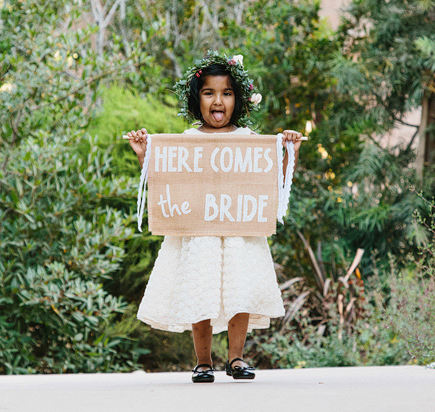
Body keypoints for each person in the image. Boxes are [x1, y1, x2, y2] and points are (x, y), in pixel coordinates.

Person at [125, 51, 303, 383]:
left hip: (239, 232)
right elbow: (169, 182)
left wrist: (288, 153)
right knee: (200, 290)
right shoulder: (188, 141)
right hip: (199, 232)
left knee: (239, 291)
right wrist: (145, 156)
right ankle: (203, 361)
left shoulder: (249, 141)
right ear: (197, 99)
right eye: (209, 93)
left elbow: (267, 186)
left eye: (226, 93)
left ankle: (236, 357)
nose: (217, 100)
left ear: (238, 99)